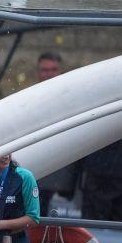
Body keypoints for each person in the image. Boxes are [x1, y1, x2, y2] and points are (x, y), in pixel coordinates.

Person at [33, 52, 78, 214]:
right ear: (38, 72)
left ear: (60, 71)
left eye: (53, 69)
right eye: (44, 70)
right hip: (38, 171)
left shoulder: (71, 98)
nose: (48, 74)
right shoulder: (29, 99)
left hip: (64, 170)